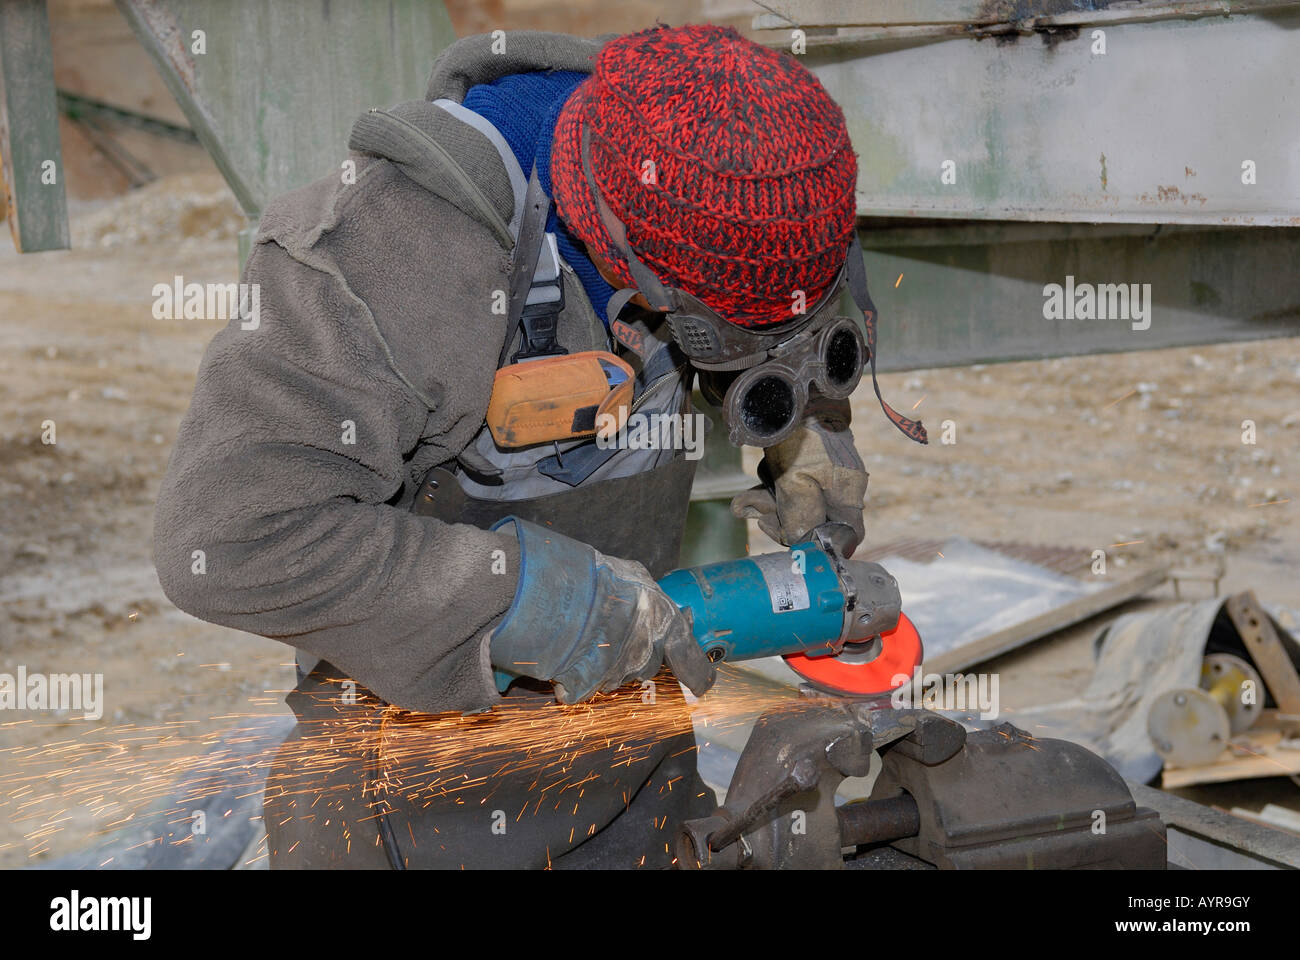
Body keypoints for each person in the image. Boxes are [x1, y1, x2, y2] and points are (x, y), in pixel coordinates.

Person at [153, 24, 921, 869]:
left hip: (632, 744)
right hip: (409, 779)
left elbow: (777, 308)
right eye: (718, 337)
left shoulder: (749, 165)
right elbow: (225, 543)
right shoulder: (390, 254)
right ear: (633, 257)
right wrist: (551, 605)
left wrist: (807, 444)